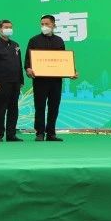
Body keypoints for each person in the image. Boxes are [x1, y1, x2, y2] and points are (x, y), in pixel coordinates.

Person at [27, 14, 70, 142]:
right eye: (42, 24)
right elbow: (28, 59)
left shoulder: (59, 41)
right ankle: (39, 133)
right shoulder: (34, 40)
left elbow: (64, 60)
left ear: (53, 25)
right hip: (40, 80)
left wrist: (71, 71)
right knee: (39, 106)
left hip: (56, 80)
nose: (44, 26)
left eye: (47, 24)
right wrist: (28, 68)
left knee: (54, 106)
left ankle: (51, 133)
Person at [0, 19, 24, 142]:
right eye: (6, 27)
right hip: (1, 82)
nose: (9, 29)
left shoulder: (15, 45)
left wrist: (21, 80)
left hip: (15, 81)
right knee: (0, 108)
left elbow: (19, 63)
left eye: (10, 27)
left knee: (14, 108)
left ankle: (11, 134)